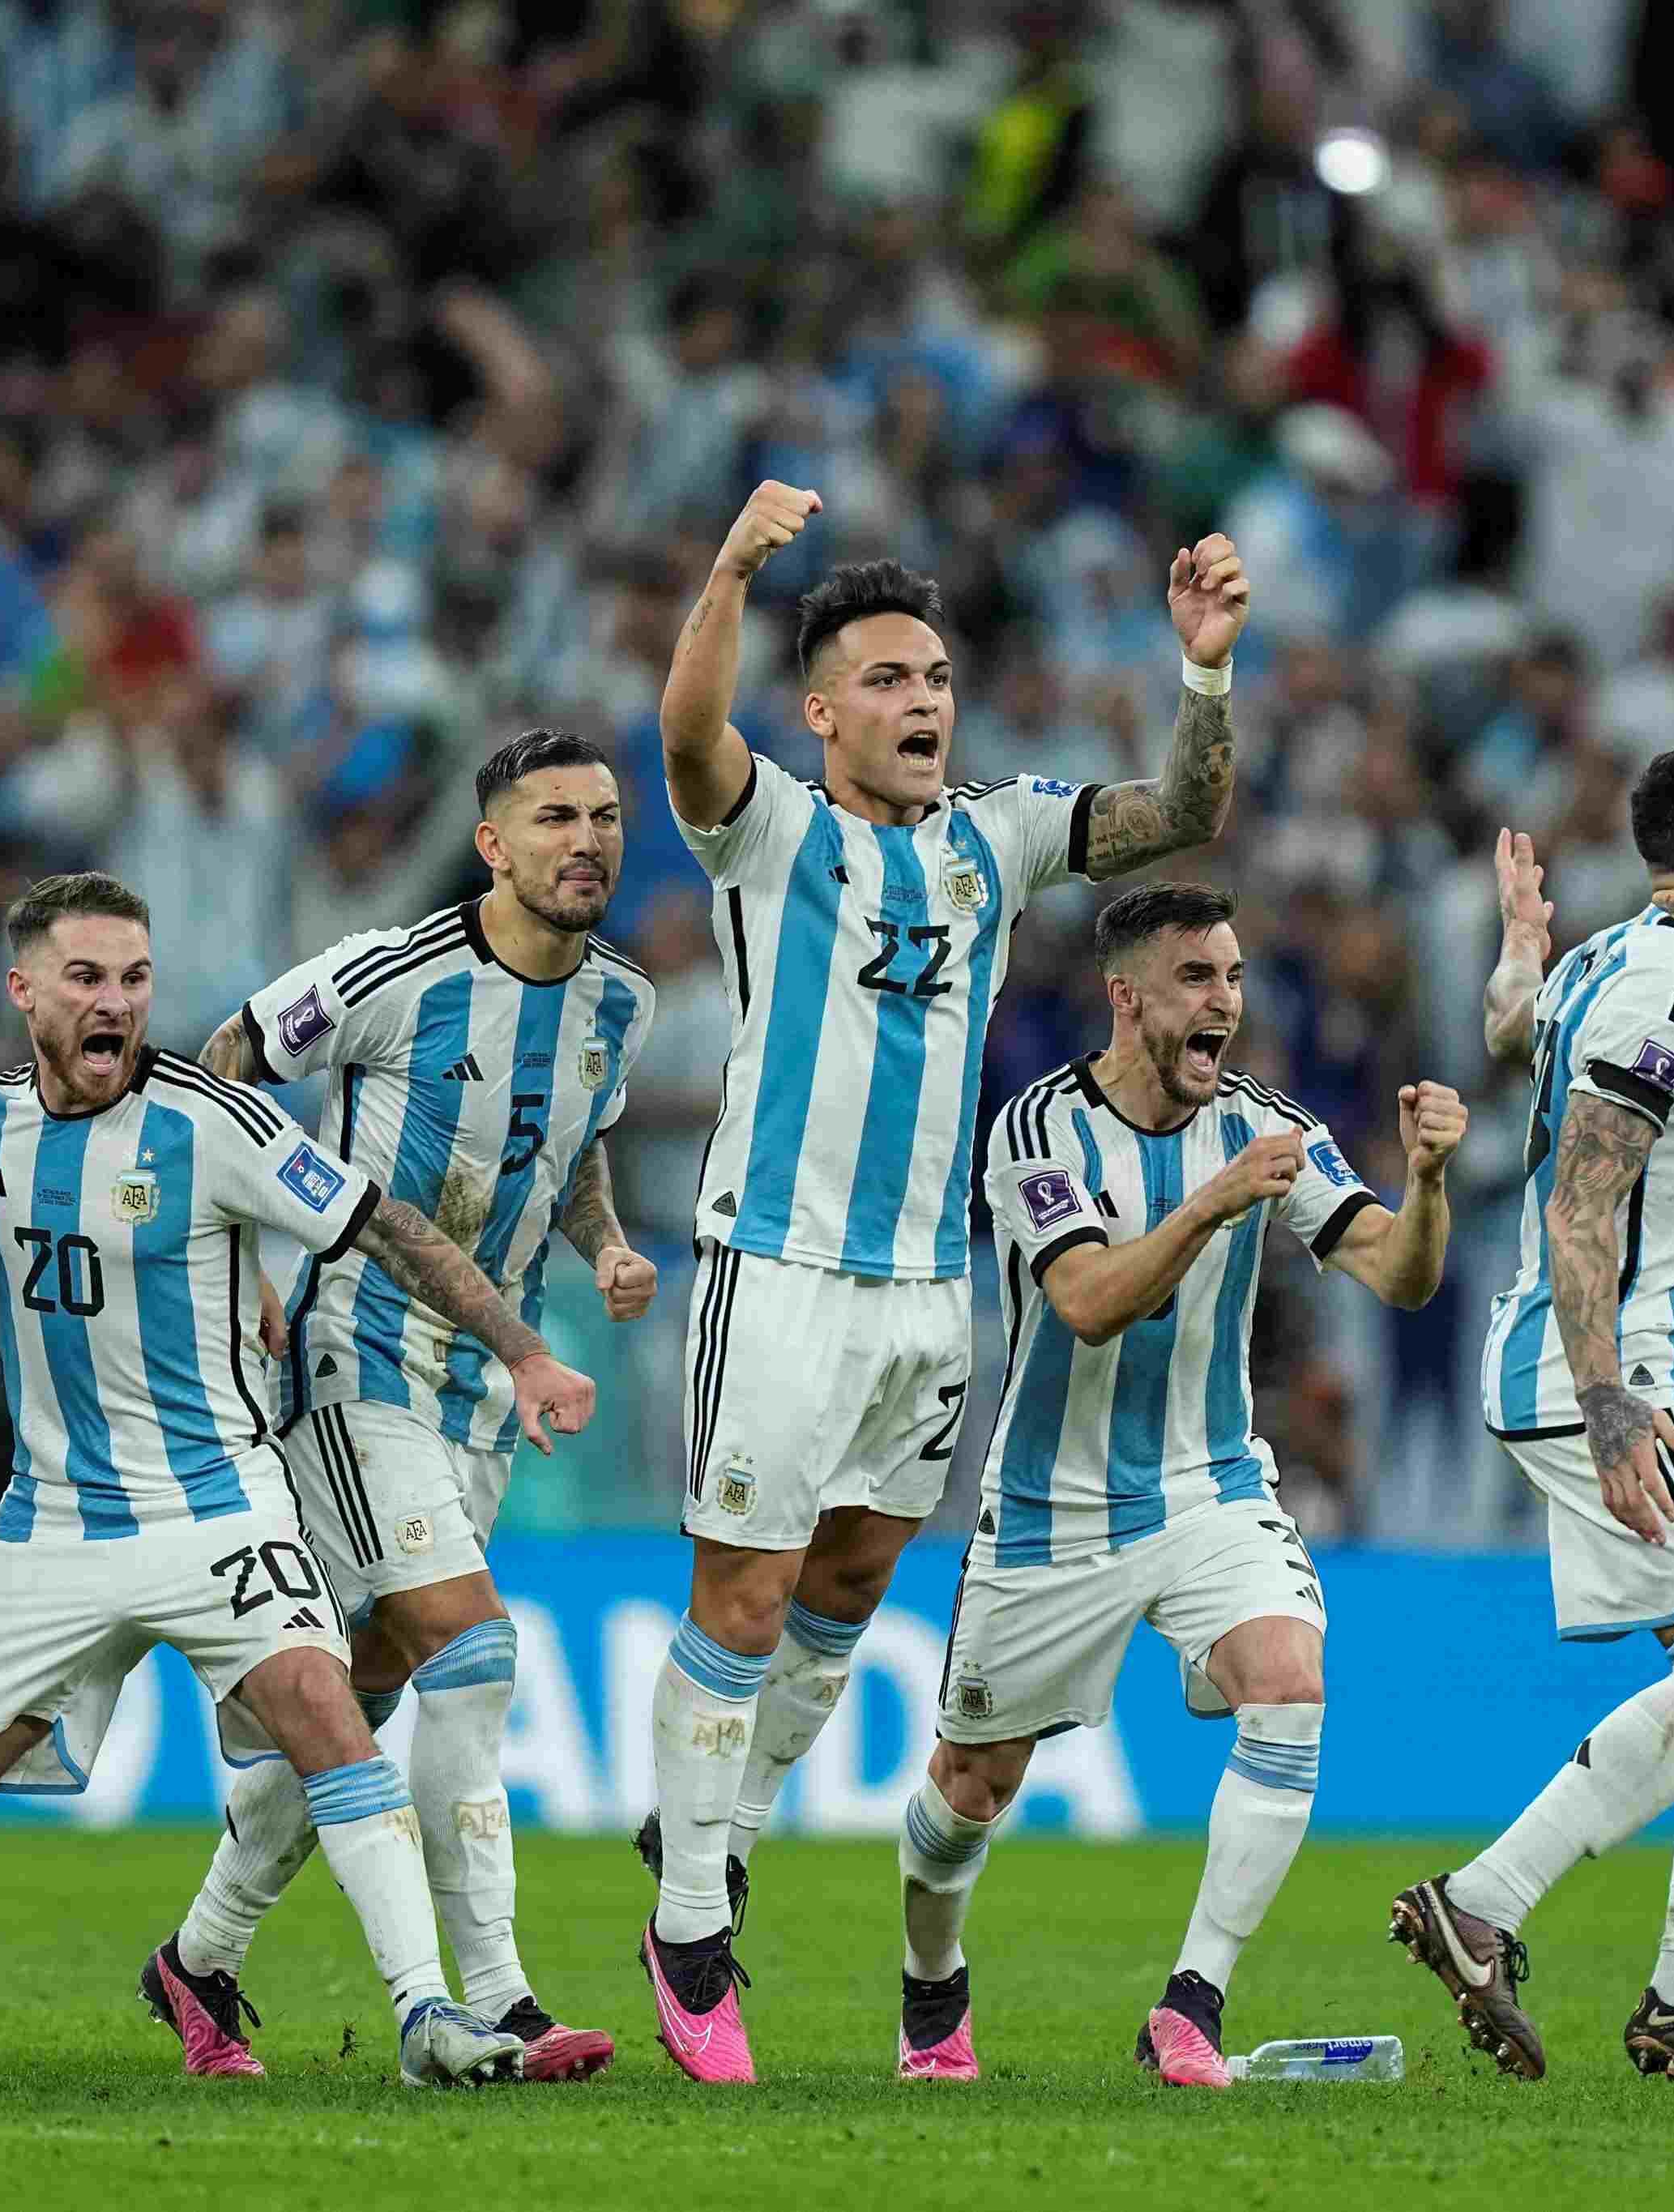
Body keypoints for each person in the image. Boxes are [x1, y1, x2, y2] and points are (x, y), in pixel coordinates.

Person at [635, 483, 1248, 2083]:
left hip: (927, 1296)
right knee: (745, 1596)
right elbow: (686, 733)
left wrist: (1201, 675)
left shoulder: (996, 834)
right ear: (822, 708)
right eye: (888, 681)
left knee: (842, 1595)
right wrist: (732, 570)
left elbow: (1175, 817)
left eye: (937, 679)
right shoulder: (770, 827)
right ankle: (691, 1928)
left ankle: (720, 1832)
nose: (921, 704)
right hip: (774, 1273)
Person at [0, 873, 597, 2087]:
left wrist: (524, 1348)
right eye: (86, 978)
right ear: (22, 991)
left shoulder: (211, 1122)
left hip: (219, 1503)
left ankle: (428, 2013)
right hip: (53, 1527)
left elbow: (380, 1219)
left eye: (133, 978)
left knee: (326, 1708)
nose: (117, 1003)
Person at [137, 730, 657, 2084]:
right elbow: (218, 1065)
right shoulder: (384, 972)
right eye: (553, 818)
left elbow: (574, 1145)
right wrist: (245, 1253)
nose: (586, 840)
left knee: (351, 1703)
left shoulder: (621, 1004)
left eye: (603, 816)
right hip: (355, 1363)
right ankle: (501, 1995)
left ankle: (196, 1959)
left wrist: (601, 1244)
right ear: (492, 843)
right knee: (475, 1657)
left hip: (485, 1396)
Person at [899, 882, 1464, 2089]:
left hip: (1208, 1483)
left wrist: (1427, 1184)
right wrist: (1215, 1200)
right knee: (969, 1789)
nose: (1227, 1002)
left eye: (1236, 976)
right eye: (1199, 979)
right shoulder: (1037, 1129)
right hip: (1052, 1508)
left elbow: (1399, 1275)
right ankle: (931, 1987)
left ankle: (1191, 2004)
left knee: (1291, 1675)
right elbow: (1089, 1303)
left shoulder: (1266, 1124)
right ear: (1126, 996)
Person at [1387, 747, 1674, 2086]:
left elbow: (1513, 1035)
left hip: (1626, 1371)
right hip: (1611, 1372)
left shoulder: (1607, 960)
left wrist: (1518, 952)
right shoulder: (1671, 985)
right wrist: (1605, 1403)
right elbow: (1584, 1195)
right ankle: (1483, 1899)